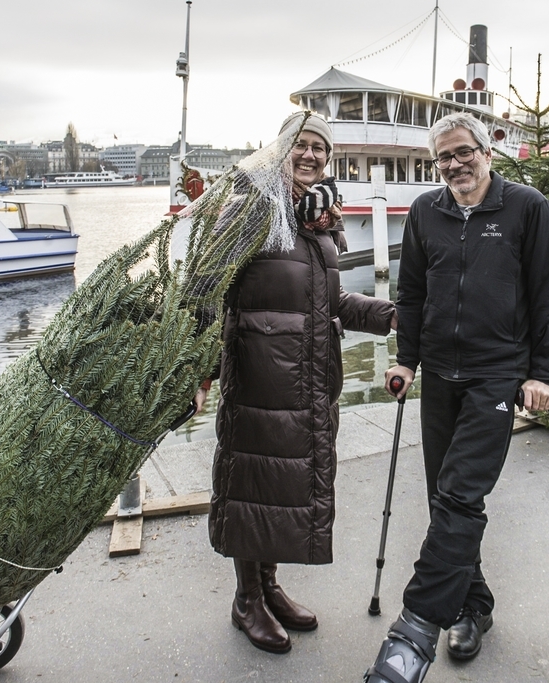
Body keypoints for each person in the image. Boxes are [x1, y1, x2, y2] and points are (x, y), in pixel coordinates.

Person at [364, 112, 549, 683]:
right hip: (441, 377)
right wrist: (406, 358)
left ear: (487, 150)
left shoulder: (527, 208)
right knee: (444, 499)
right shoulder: (426, 212)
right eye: (443, 157)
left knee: (459, 494)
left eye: (463, 152)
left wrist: (542, 375)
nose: (454, 164)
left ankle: (416, 631)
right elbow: (412, 291)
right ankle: (473, 605)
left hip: (497, 376)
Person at [201, 112, 396, 654]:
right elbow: (204, 291)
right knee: (253, 486)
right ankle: (246, 601)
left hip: (308, 380)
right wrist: (199, 373)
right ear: (280, 148)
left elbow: (324, 303)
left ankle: (267, 587)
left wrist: (386, 315)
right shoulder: (250, 209)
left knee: (283, 490)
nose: (311, 156)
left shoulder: (316, 218)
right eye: (301, 146)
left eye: (320, 150)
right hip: (260, 378)